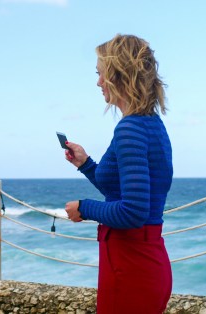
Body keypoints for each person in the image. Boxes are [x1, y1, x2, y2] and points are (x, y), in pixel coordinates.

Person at [64, 34, 173, 314]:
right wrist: (86, 164)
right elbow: (122, 192)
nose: (98, 82)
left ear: (119, 75)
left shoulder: (130, 129)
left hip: (130, 266)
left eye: (101, 74)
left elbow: (133, 212)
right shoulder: (151, 124)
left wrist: (84, 208)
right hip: (144, 261)